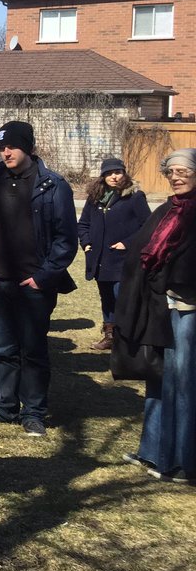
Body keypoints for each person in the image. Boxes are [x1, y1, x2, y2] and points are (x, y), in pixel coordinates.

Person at [0, 120, 77, 437]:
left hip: (34, 285)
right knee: (2, 349)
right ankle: (4, 408)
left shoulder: (52, 186)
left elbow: (65, 240)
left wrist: (43, 277)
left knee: (32, 351)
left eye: (12, 146)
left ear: (28, 147)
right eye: (1, 147)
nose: (6, 152)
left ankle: (33, 414)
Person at [115, 149, 196, 483]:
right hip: (158, 307)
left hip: (188, 310)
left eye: (183, 171)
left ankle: (182, 461)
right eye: (171, 172)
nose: (175, 177)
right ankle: (152, 450)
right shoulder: (166, 209)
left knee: (184, 382)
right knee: (158, 375)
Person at [78, 157, 150, 351]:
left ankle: (129, 340)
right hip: (100, 260)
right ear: (103, 177)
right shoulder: (95, 197)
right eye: (109, 173)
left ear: (124, 173)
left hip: (122, 260)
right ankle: (110, 336)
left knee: (123, 298)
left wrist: (127, 243)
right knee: (107, 298)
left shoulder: (134, 196)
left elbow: (148, 226)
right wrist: (86, 243)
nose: (114, 177)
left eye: (117, 172)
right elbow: (83, 224)